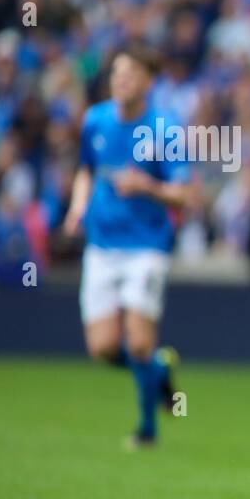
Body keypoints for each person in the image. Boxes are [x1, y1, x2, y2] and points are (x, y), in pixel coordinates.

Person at [61, 48, 197, 449]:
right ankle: (159, 369)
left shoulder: (164, 128)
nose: (121, 80)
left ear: (148, 82)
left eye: (131, 74)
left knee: (137, 340)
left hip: (146, 246)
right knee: (102, 347)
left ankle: (146, 430)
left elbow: (187, 195)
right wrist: (77, 207)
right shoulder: (96, 119)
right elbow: (86, 169)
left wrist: (148, 187)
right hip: (102, 245)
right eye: (117, 73)